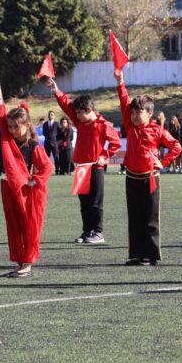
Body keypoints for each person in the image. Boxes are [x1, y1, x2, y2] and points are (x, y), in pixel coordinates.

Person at [115, 68, 182, 265]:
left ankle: (151, 256)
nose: (135, 116)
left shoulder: (157, 130)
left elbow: (176, 146)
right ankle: (136, 255)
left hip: (150, 178)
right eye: (133, 112)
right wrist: (120, 82)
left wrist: (164, 162)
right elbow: (124, 100)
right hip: (131, 177)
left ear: (150, 113)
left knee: (150, 218)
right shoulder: (129, 125)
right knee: (134, 217)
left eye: (139, 112)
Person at [47, 77, 122, 244]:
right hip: (81, 167)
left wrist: (104, 156)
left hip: (96, 168)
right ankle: (87, 231)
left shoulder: (103, 124)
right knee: (84, 202)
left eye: (80, 113)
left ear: (89, 110)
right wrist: (56, 91)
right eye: (77, 113)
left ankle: (98, 233)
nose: (76, 116)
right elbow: (67, 105)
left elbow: (116, 142)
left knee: (96, 202)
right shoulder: (80, 121)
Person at [0, 74, 51, 277]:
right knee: (14, 226)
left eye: (16, 126)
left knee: (27, 226)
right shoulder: (7, 139)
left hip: (24, 190)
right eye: (9, 126)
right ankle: (20, 262)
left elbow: (46, 167)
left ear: (27, 125)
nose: (11, 130)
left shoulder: (32, 145)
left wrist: (35, 181)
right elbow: (1, 114)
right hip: (7, 187)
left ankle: (27, 264)